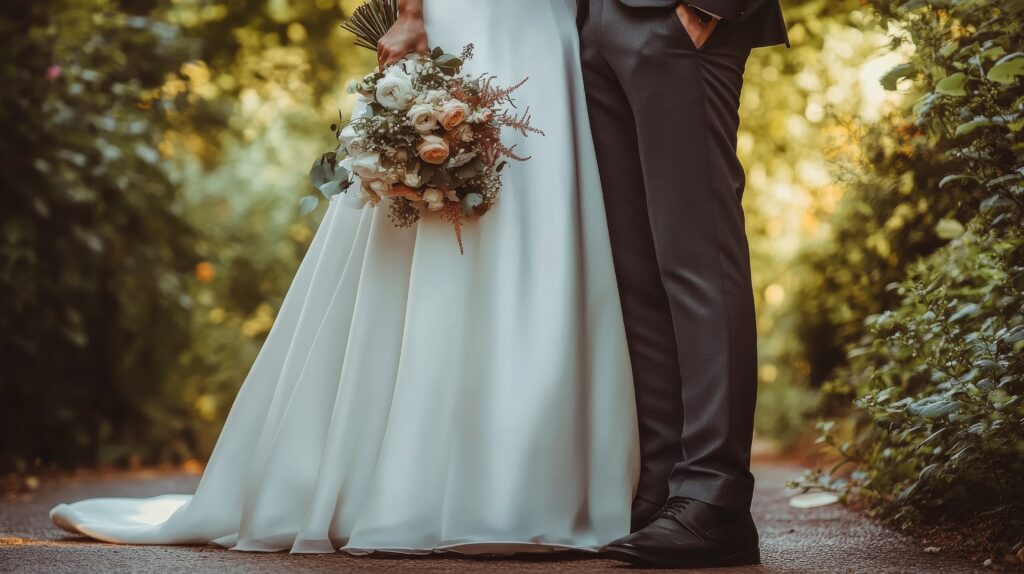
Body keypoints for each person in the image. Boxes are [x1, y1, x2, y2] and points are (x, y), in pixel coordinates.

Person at [50, 0, 641, 555]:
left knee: (540, 233)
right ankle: (416, 485)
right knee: (428, 233)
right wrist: (411, 10)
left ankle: (530, 478)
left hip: (553, 28)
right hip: (469, 19)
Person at [578, 0, 788, 568]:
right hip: (590, 22)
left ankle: (714, 499)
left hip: (683, 17)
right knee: (637, 270)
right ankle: (664, 486)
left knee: (699, 256)